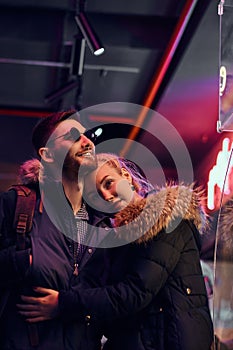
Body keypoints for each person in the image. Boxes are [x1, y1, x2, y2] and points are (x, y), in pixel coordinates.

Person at [18, 152, 214, 350]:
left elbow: (135, 292)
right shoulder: (119, 238)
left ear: (126, 177)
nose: (106, 195)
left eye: (108, 182)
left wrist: (62, 303)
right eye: (95, 195)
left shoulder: (165, 217)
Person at [0, 111, 113, 350]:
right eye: (72, 136)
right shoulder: (18, 204)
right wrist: (23, 261)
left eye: (85, 135)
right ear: (48, 155)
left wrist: (67, 304)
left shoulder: (103, 222)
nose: (86, 141)